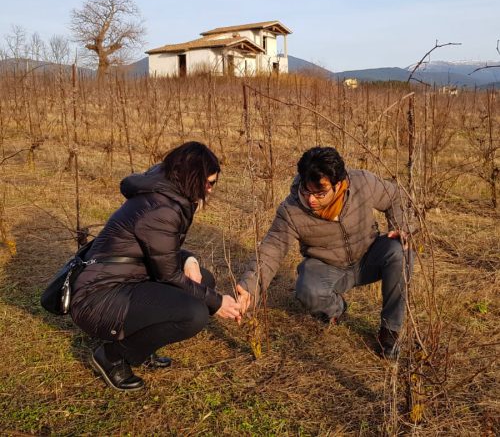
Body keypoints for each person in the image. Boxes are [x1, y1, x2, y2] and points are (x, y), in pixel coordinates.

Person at [71, 141, 241, 391]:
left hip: (125, 280)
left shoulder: (165, 194)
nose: (211, 190)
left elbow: (159, 249)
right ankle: (112, 355)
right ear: (192, 178)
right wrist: (217, 302)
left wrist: (189, 259)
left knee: (202, 279)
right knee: (195, 313)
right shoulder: (160, 208)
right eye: (209, 183)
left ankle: (141, 343)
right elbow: (168, 274)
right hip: (98, 298)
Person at [236, 146, 413, 359]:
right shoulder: (291, 211)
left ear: (338, 184)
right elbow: (271, 250)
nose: (311, 200)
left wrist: (400, 226)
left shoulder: (361, 183)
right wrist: (249, 289)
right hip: (326, 266)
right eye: (307, 190)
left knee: (400, 251)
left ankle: (390, 331)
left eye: (320, 193)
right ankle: (336, 309)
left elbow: (394, 196)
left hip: (369, 254)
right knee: (307, 289)